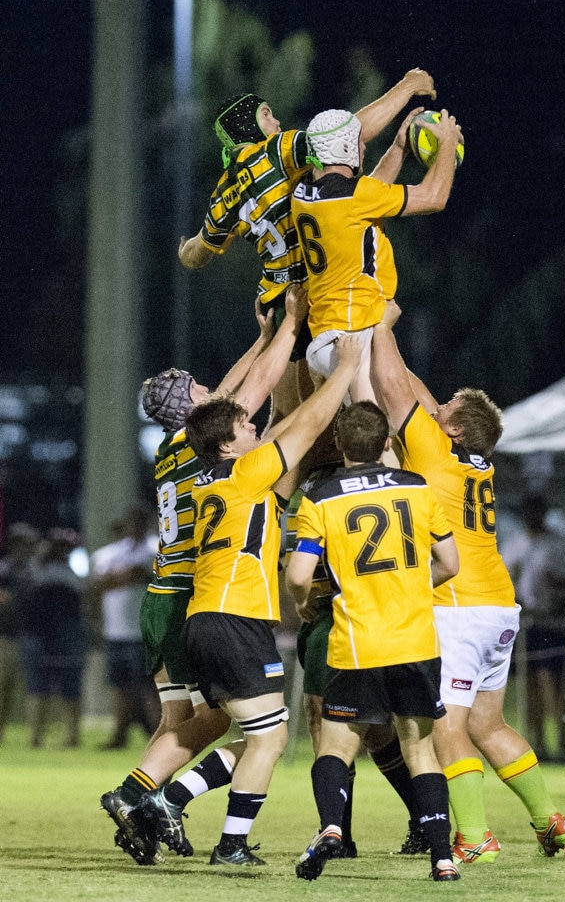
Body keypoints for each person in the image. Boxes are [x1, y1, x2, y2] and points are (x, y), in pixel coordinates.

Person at [100, 289, 308, 865]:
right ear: (187, 408)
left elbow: (227, 395)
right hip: (192, 596)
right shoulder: (204, 447)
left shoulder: (176, 447)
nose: (207, 389)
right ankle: (145, 795)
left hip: (162, 595)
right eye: (195, 388)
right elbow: (250, 390)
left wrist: (264, 338)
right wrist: (288, 330)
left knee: (181, 720)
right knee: (227, 716)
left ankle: (144, 804)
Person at [138, 334, 362, 868]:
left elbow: (283, 430)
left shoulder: (218, 481)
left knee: (260, 734)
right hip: (235, 619)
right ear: (226, 446)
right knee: (268, 739)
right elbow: (303, 427)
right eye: (243, 428)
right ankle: (199, 823)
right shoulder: (245, 474)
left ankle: (186, 810)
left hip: (207, 616)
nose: (253, 426)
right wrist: (343, 372)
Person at [371, 320, 565, 863]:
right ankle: (551, 822)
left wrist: (375, 323)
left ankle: (475, 837)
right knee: (489, 724)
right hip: (497, 604)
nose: (433, 410)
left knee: (449, 730)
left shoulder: (434, 453)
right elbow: (418, 390)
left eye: (444, 411)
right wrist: (392, 336)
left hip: (458, 608)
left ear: (455, 431)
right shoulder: (476, 463)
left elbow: (396, 387)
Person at [178, 70, 438, 420]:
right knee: (381, 399)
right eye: (267, 113)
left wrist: (184, 248)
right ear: (247, 125)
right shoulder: (275, 152)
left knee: (289, 415)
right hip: (318, 295)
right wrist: (407, 87)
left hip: (279, 303)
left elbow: (197, 254)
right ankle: (442, 455)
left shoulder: (224, 193)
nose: (277, 120)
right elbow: (346, 134)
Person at [286, 401, 461, 882]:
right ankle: (443, 858)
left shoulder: (318, 498)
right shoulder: (418, 487)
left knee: (334, 748)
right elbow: (450, 564)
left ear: (339, 444)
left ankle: (331, 828)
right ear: (387, 443)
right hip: (416, 642)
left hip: (357, 644)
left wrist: (303, 604)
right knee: (420, 751)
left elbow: (300, 575)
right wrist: (408, 589)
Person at [292, 105, 463, 405]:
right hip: (351, 337)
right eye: (358, 140)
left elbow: (367, 194)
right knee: (378, 437)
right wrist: (447, 142)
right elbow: (434, 197)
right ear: (343, 148)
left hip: (331, 333)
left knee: (424, 413)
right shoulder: (357, 196)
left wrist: (399, 148)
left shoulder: (302, 191)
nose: (364, 144)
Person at [501, 493, 565, 761]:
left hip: (550, 620)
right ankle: (535, 741)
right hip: (522, 623)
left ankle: (559, 742)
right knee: (528, 685)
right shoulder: (514, 545)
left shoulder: (558, 545)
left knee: (550, 683)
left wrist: (557, 583)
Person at [89, 507, 159, 749]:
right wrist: (133, 575)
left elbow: (148, 576)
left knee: (150, 688)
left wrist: (124, 577)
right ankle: (119, 737)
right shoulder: (110, 553)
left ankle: (157, 737)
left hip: (145, 630)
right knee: (120, 687)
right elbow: (97, 585)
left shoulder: (156, 548)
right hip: (116, 630)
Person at [18, 529, 88, 748]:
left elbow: (85, 599)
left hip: (67, 633)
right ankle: (36, 737)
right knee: (38, 687)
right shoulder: (36, 568)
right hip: (39, 634)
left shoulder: (75, 569)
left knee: (69, 687)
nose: (60, 550)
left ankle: (72, 737)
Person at [0, 522, 41, 744]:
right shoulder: (5, 568)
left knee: (33, 687)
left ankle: (36, 735)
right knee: (3, 687)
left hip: (31, 634)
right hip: (6, 636)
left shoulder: (35, 569)